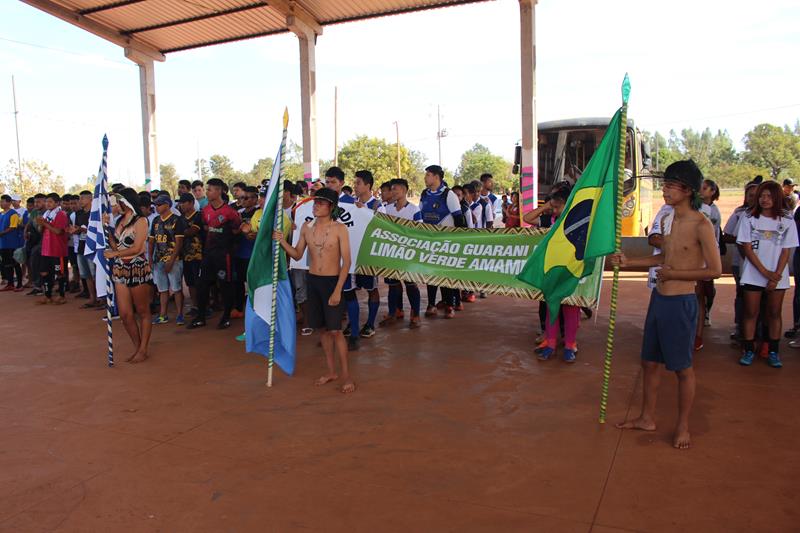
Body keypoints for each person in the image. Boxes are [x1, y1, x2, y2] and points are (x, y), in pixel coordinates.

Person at [612, 160, 721, 450]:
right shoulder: (669, 219)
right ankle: (647, 417)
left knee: (682, 368)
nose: (665, 190)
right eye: (666, 184)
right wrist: (630, 262)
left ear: (687, 190)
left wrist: (676, 274)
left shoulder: (701, 224)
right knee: (649, 362)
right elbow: (663, 259)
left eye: (671, 185)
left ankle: (683, 425)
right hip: (659, 299)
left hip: (681, 302)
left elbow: (714, 270)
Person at [275, 187, 355, 394]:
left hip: (332, 282)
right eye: (315, 202)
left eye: (321, 202)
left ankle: (346, 376)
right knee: (322, 330)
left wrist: (338, 290)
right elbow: (297, 254)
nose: (316, 205)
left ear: (331, 207)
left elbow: (346, 262)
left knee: (336, 331)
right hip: (313, 282)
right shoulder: (305, 227)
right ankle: (331, 372)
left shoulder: (339, 229)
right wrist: (282, 241)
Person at [737, 180, 798, 368]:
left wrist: (776, 275)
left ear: (777, 197)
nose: (764, 199)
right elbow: (746, 248)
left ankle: (773, 351)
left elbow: (786, 251)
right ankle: (748, 350)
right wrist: (765, 273)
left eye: (769, 196)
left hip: (777, 277)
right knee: (750, 313)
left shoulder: (787, 220)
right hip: (753, 274)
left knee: (773, 313)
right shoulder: (748, 219)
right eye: (762, 196)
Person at [104, 188, 153, 363]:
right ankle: (138, 347)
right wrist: (106, 230)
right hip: (121, 269)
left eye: (118, 200)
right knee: (125, 314)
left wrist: (114, 254)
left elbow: (138, 248)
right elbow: (117, 246)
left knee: (142, 310)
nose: (116, 204)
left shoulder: (141, 221)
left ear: (126, 201)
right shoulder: (119, 221)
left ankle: (143, 348)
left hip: (137, 267)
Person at [414, 165, 467, 319]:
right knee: (430, 274)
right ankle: (431, 304)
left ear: (436, 177)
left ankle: (450, 305)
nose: (425, 178)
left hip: (447, 243)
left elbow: (459, 219)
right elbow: (420, 215)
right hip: (430, 242)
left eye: (428, 175)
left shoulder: (449, 195)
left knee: (446, 275)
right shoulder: (424, 194)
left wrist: (460, 241)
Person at [188, 178, 241, 330]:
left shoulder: (230, 212)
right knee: (202, 284)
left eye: (210, 189)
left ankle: (226, 317)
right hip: (208, 254)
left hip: (225, 255)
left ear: (218, 191)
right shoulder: (205, 211)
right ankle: (201, 317)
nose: (207, 192)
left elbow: (237, 230)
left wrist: (229, 246)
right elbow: (205, 227)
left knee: (225, 285)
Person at [380, 178, 422, 328]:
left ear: (404, 190)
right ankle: (394, 312)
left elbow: (419, 232)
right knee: (393, 285)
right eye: (391, 189)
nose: (393, 192)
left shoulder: (414, 210)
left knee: (411, 284)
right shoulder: (387, 209)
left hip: (408, 254)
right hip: (391, 253)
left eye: (395, 189)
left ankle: (415, 314)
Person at [149, 194, 186, 325]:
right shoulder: (155, 221)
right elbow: (151, 242)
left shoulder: (177, 220)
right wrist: (150, 259)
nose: (156, 207)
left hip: (174, 260)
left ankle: (180, 314)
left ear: (167, 205)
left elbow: (179, 242)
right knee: (162, 289)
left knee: (176, 288)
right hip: (158, 259)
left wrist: (171, 260)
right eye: (156, 205)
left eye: (159, 204)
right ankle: (162, 315)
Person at [37, 193, 69, 305]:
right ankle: (47, 295)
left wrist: (45, 224)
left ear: (57, 203)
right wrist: (40, 224)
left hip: (57, 249)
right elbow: (41, 231)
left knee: (60, 273)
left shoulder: (61, 214)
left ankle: (62, 295)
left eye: (50, 202)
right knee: (44, 272)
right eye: (46, 202)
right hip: (46, 249)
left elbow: (59, 231)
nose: (47, 204)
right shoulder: (46, 214)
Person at [232, 185, 259, 319]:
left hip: (253, 254)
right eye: (242, 197)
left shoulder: (260, 213)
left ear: (255, 199)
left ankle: (255, 308)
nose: (243, 200)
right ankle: (239, 308)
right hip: (239, 252)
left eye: (246, 198)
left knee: (252, 282)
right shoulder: (238, 212)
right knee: (238, 282)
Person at [72, 190, 100, 308]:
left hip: (93, 247)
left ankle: (101, 298)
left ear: (90, 199)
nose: (80, 201)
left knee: (95, 274)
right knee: (86, 274)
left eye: (83, 198)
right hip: (82, 246)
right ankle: (92, 297)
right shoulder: (79, 214)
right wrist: (76, 230)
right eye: (80, 198)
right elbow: (78, 228)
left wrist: (85, 230)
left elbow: (98, 230)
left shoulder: (96, 213)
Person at [178, 192, 203, 317]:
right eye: (180, 203)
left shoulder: (199, 216)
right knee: (190, 282)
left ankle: (204, 306)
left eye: (184, 202)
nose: (181, 205)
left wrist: (179, 233)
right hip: (185, 255)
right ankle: (195, 306)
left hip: (199, 255)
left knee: (200, 282)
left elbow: (192, 231)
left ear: (191, 203)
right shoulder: (181, 218)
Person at [0, 194, 24, 291]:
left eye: (3, 201)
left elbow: (12, 227)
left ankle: (19, 284)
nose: (1, 203)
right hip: (3, 243)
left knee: (15, 264)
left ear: (9, 203)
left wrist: (1, 233)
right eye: (1, 201)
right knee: (6, 264)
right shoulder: (1, 214)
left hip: (12, 243)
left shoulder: (13, 214)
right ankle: (10, 283)